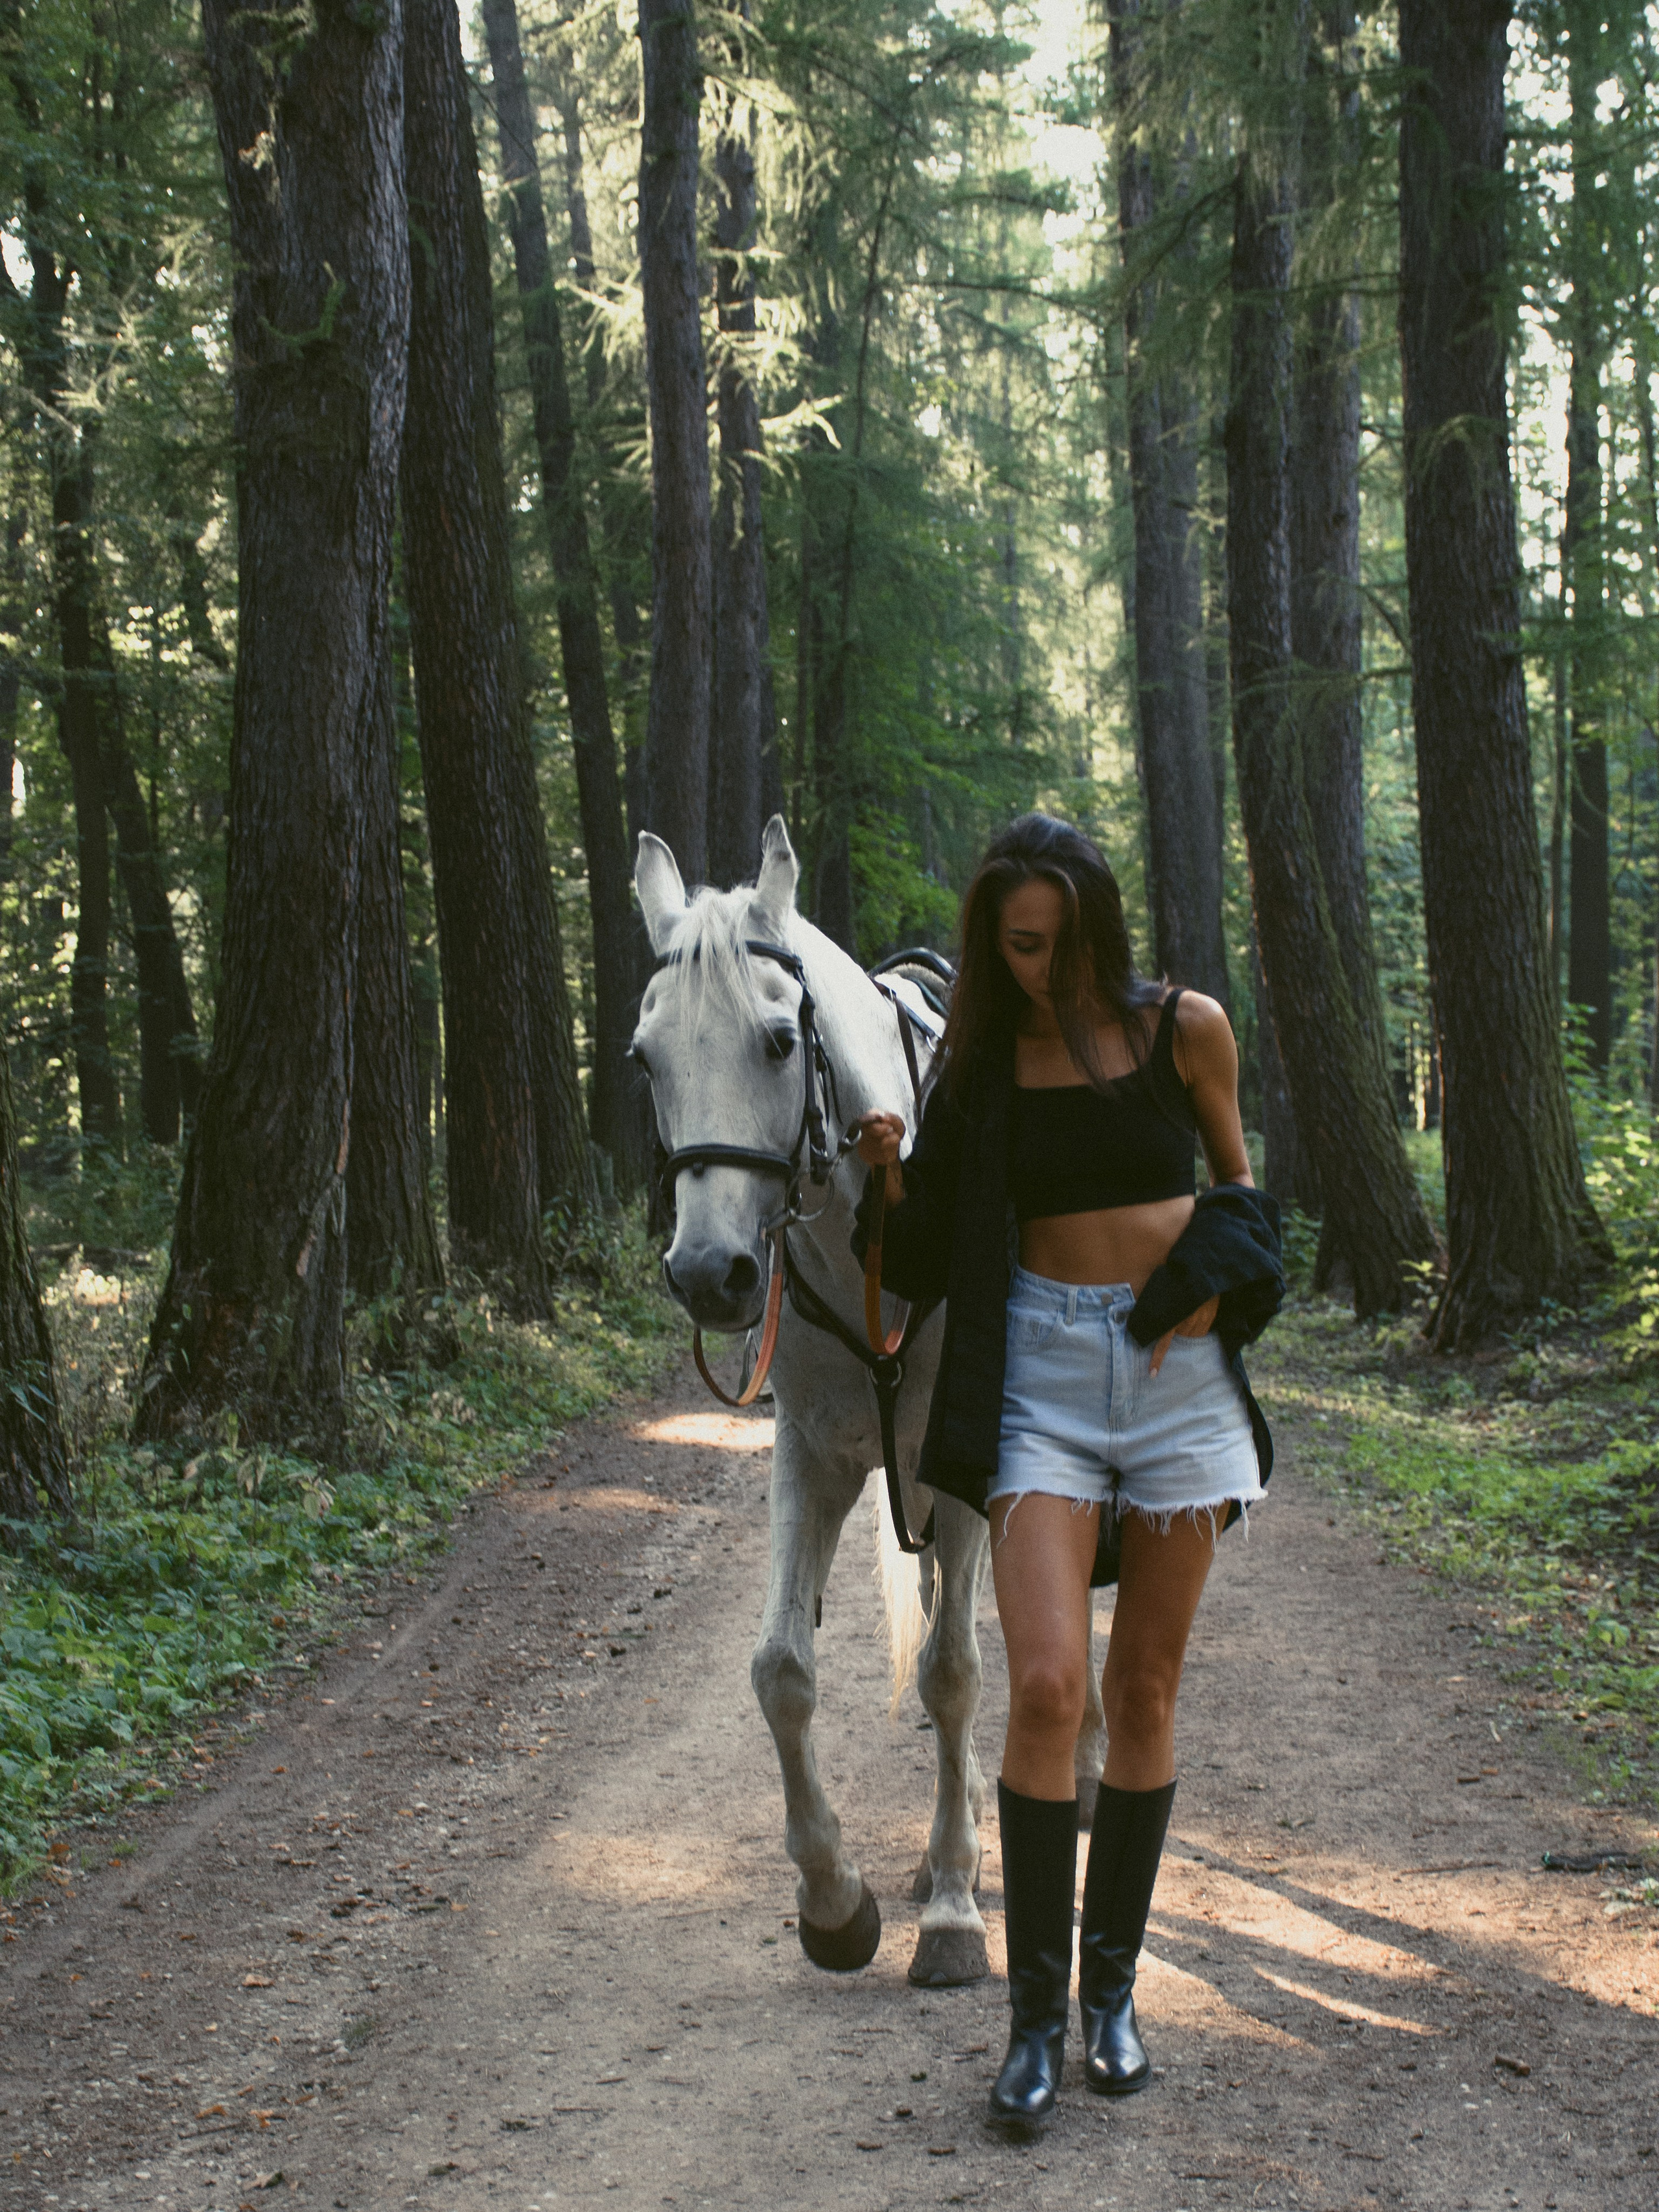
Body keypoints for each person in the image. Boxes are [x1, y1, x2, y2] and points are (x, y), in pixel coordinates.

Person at [852, 813, 1282, 2134]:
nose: (1037, 968)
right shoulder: (985, 1065)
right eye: (1015, 947)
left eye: (1054, 941)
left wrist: (1218, 1285)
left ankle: (1111, 1999)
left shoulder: (1187, 1030)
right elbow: (924, 1256)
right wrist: (886, 1180)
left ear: (1098, 922)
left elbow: (1244, 1199)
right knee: (1045, 1686)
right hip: (1037, 1374)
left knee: (1140, 1687)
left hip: (1175, 1379)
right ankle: (1032, 2025)